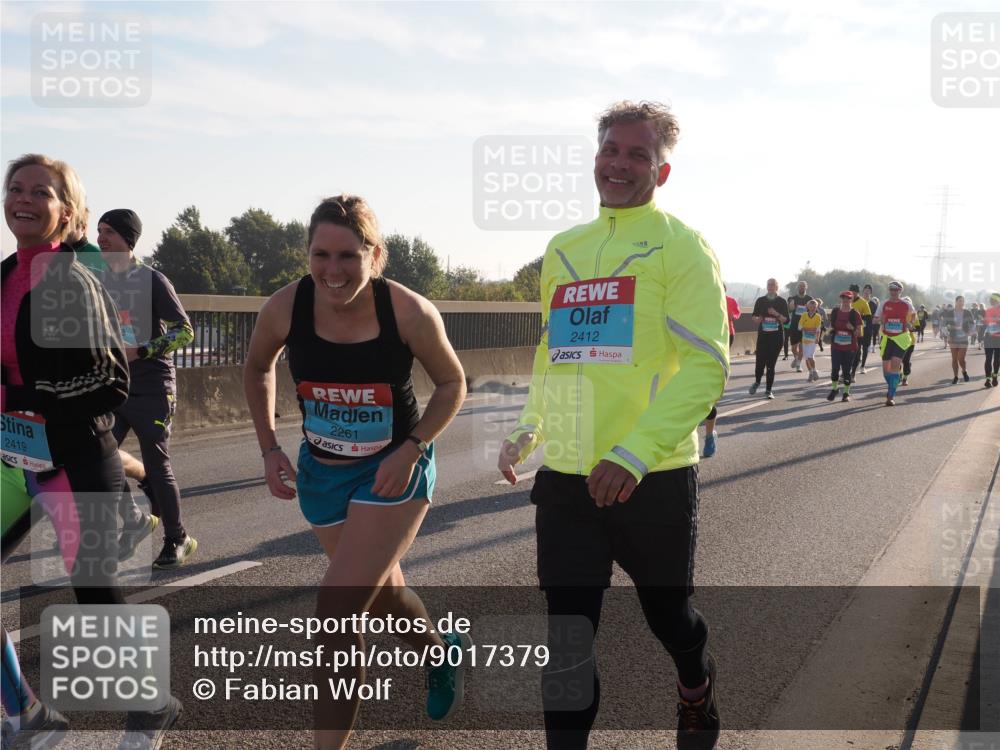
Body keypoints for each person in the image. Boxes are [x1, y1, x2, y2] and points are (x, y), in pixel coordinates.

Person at [498, 100, 727, 750]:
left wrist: (633, 452)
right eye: (610, 150)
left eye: (636, 154)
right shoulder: (564, 249)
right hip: (569, 481)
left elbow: (706, 367)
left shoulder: (681, 248)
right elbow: (555, 353)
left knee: (670, 618)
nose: (618, 164)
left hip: (651, 476)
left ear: (662, 170)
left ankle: (694, 683)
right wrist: (529, 427)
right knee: (568, 638)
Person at [244, 194, 469, 749]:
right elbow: (256, 368)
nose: (333, 271)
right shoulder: (284, 306)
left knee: (336, 613)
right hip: (323, 473)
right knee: (386, 595)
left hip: (393, 472)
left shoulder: (409, 311)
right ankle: (440, 652)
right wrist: (270, 447)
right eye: (321, 255)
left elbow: (452, 384)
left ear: (375, 255)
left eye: (348, 256)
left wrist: (412, 448)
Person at [2, 154, 182, 749]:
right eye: (15, 188)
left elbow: (111, 384)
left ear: (67, 211)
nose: (24, 198)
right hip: (13, 457)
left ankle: (152, 705)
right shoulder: (5, 276)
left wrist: (25, 397)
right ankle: (27, 714)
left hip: (74, 457)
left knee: (96, 600)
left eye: (40, 192)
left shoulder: (73, 280)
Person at [97, 209, 197, 569]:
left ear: (128, 238)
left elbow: (184, 331)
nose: (101, 238)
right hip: (114, 386)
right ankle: (137, 522)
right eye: (99, 231)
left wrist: (141, 350)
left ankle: (178, 538)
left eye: (108, 232)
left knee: (156, 464)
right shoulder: (100, 281)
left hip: (153, 386)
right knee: (98, 456)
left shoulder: (152, 279)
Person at [703, 287, 741, 458]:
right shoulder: (697, 297)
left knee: (707, 395)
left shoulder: (729, 300)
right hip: (693, 344)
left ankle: (710, 435)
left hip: (720, 340)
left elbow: (737, 314)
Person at [872, 281, 914, 406]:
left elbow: (914, 315)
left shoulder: (906, 304)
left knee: (895, 366)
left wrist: (909, 323)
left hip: (901, 338)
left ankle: (890, 396)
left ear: (900, 291)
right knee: (886, 372)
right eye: (891, 289)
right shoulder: (884, 303)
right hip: (887, 338)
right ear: (889, 290)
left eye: (896, 290)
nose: (893, 292)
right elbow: (874, 320)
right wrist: (880, 320)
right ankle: (894, 381)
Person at [750, 279, 789, 399]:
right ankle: (757, 382)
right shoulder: (761, 301)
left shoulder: (781, 302)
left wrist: (776, 313)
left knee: (771, 364)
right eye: (769, 285)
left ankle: (768, 390)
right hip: (763, 336)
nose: (770, 287)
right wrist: (758, 320)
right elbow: (754, 316)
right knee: (760, 362)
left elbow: (786, 320)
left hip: (776, 337)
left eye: (773, 285)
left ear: (777, 287)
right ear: (767, 287)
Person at [826, 291, 862, 402]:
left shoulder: (854, 314)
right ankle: (835, 389)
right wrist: (829, 332)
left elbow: (859, 333)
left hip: (850, 347)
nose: (845, 301)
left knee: (847, 371)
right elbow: (831, 326)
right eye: (843, 299)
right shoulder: (836, 312)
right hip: (836, 345)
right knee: (835, 369)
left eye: (848, 299)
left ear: (851, 300)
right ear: (841, 299)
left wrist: (852, 328)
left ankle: (846, 393)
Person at [942, 295, 973, 383]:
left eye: (963, 301)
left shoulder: (967, 312)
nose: (961, 303)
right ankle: (956, 377)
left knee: (961, 358)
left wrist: (970, 332)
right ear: (956, 302)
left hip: (963, 338)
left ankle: (964, 371)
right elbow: (944, 325)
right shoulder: (950, 313)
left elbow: (972, 324)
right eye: (960, 301)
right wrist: (947, 334)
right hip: (953, 338)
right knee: (954, 358)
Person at [786, 281, 813, 372]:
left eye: (803, 286)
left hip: (805, 325)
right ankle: (797, 358)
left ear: (806, 287)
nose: (801, 288)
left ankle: (798, 365)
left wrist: (809, 308)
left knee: (802, 347)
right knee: (793, 348)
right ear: (797, 288)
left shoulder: (810, 299)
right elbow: (789, 310)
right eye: (800, 286)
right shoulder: (793, 298)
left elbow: (813, 311)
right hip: (794, 325)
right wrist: (791, 306)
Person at [848, 284, 871, 379]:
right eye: (851, 291)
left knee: (856, 353)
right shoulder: (846, 301)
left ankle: (853, 374)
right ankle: (845, 372)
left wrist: (858, 323)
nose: (852, 293)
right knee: (846, 353)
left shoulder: (863, 302)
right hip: (847, 331)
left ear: (857, 292)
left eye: (854, 292)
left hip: (858, 332)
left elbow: (868, 318)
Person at [797, 299, 823, 382]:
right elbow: (799, 327)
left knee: (810, 356)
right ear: (807, 307)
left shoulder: (818, 316)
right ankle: (810, 373)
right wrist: (808, 328)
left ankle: (814, 370)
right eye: (811, 306)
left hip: (813, 340)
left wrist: (817, 338)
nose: (812, 308)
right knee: (806, 358)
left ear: (816, 307)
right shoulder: (804, 315)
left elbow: (818, 329)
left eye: (814, 306)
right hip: (805, 340)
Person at [900, 296, 918, 386]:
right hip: (898, 339)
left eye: (908, 303)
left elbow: (917, 327)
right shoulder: (898, 313)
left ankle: (905, 378)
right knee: (897, 359)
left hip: (910, 341)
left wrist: (911, 327)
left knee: (905, 361)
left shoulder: (913, 314)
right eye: (904, 303)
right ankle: (899, 374)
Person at [984, 293, 1000, 387]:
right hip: (989, 337)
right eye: (992, 300)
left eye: (995, 300)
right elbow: (986, 323)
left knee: (997, 359)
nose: (993, 302)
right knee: (988, 358)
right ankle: (988, 379)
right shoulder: (988, 311)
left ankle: (994, 377)